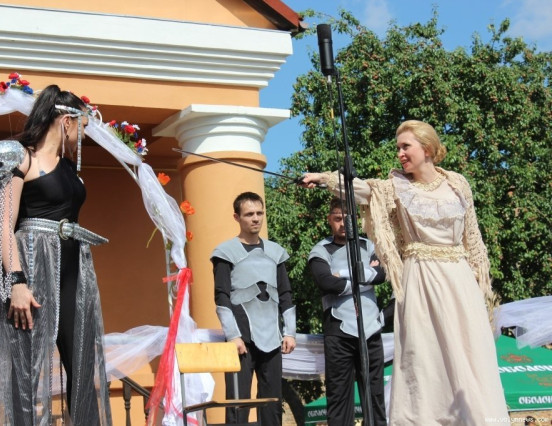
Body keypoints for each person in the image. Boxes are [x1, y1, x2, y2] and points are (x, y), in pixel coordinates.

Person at [302, 120, 508, 425]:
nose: (400, 153)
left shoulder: (457, 183)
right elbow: (362, 189)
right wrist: (322, 179)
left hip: (459, 279)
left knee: (469, 351)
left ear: (427, 148)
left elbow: (473, 239)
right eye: (398, 147)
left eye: (405, 146)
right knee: (424, 357)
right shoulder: (396, 187)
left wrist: (480, 283)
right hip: (421, 279)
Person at [0, 85, 111, 425]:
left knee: (82, 361)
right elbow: (4, 224)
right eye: (83, 127)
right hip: (33, 267)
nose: (83, 136)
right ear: (67, 121)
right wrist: (16, 282)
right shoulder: (20, 157)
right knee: (27, 369)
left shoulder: (69, 168)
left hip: (74, 271)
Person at [211, 191, 296, 425]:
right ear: (237, 217)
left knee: (272, 404)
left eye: (259, 213)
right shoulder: (225, 252)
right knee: (238, 405)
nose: (256, 218)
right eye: (249, 214)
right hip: (241, 340)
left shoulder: (276, 252)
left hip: (272, 337)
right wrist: (233, 335)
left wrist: (290, 332)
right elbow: (221, 296)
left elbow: (285, 294)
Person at [308, 197, 387, 426]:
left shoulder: (368, 245)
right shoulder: (320, 250)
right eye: (338, 219)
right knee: (339, 397)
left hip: (370, 329)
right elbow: (325, 283)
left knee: (374, 396)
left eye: (348, 218)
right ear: (329, 220)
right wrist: (366, 278)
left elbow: (383, 274)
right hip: (338, 331)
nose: (343, 224)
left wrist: (342, 274)